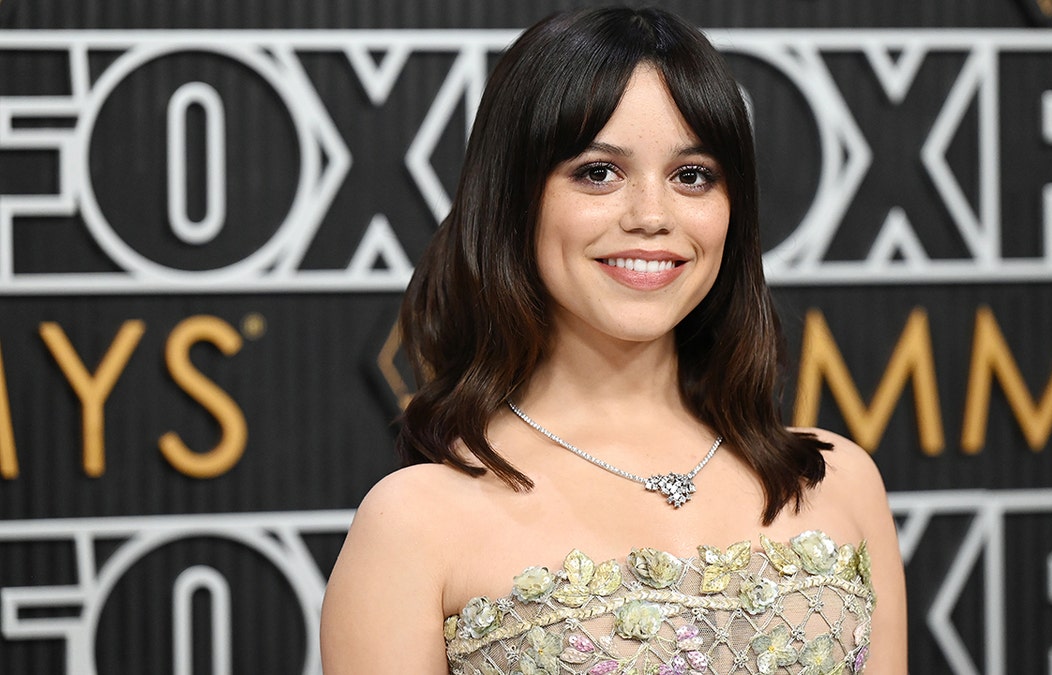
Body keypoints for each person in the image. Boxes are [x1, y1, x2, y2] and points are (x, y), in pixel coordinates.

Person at [320, 6, 905, 674]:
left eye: (693, 175)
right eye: (599, 171)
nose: (652, 216)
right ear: (514, 198)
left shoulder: (839, 483)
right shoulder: (415, 523)